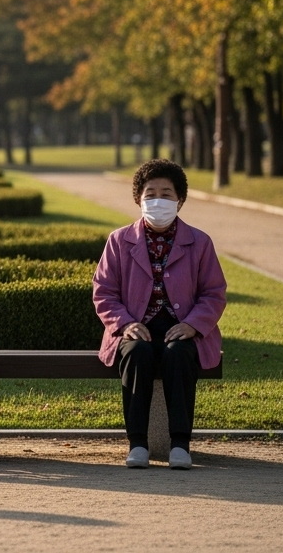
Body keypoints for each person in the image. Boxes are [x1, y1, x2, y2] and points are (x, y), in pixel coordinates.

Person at [92, 158, 226, 470]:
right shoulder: (119, 240)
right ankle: (137, 443)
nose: (158, 201)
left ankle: (180, 443)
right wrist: (125, 324)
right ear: (139, 198)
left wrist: (193, 325)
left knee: (179, 355)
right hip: (134, 328)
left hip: (182, 329)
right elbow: (103, 291)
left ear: (180, 200)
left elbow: (214, 293)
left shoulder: (200, 242)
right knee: (137, 354)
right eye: (151, 193)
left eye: (167, 194)